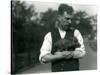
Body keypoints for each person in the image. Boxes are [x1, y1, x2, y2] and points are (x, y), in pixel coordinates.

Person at [39, 4, 86, 72]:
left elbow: (81, 53)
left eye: (71, 19)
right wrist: (66, 55)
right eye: (67, 18)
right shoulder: (49, 35)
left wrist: (58, 55)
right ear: (59, 17)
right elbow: (43, 57)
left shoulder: (76, 32)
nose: (70, 22)